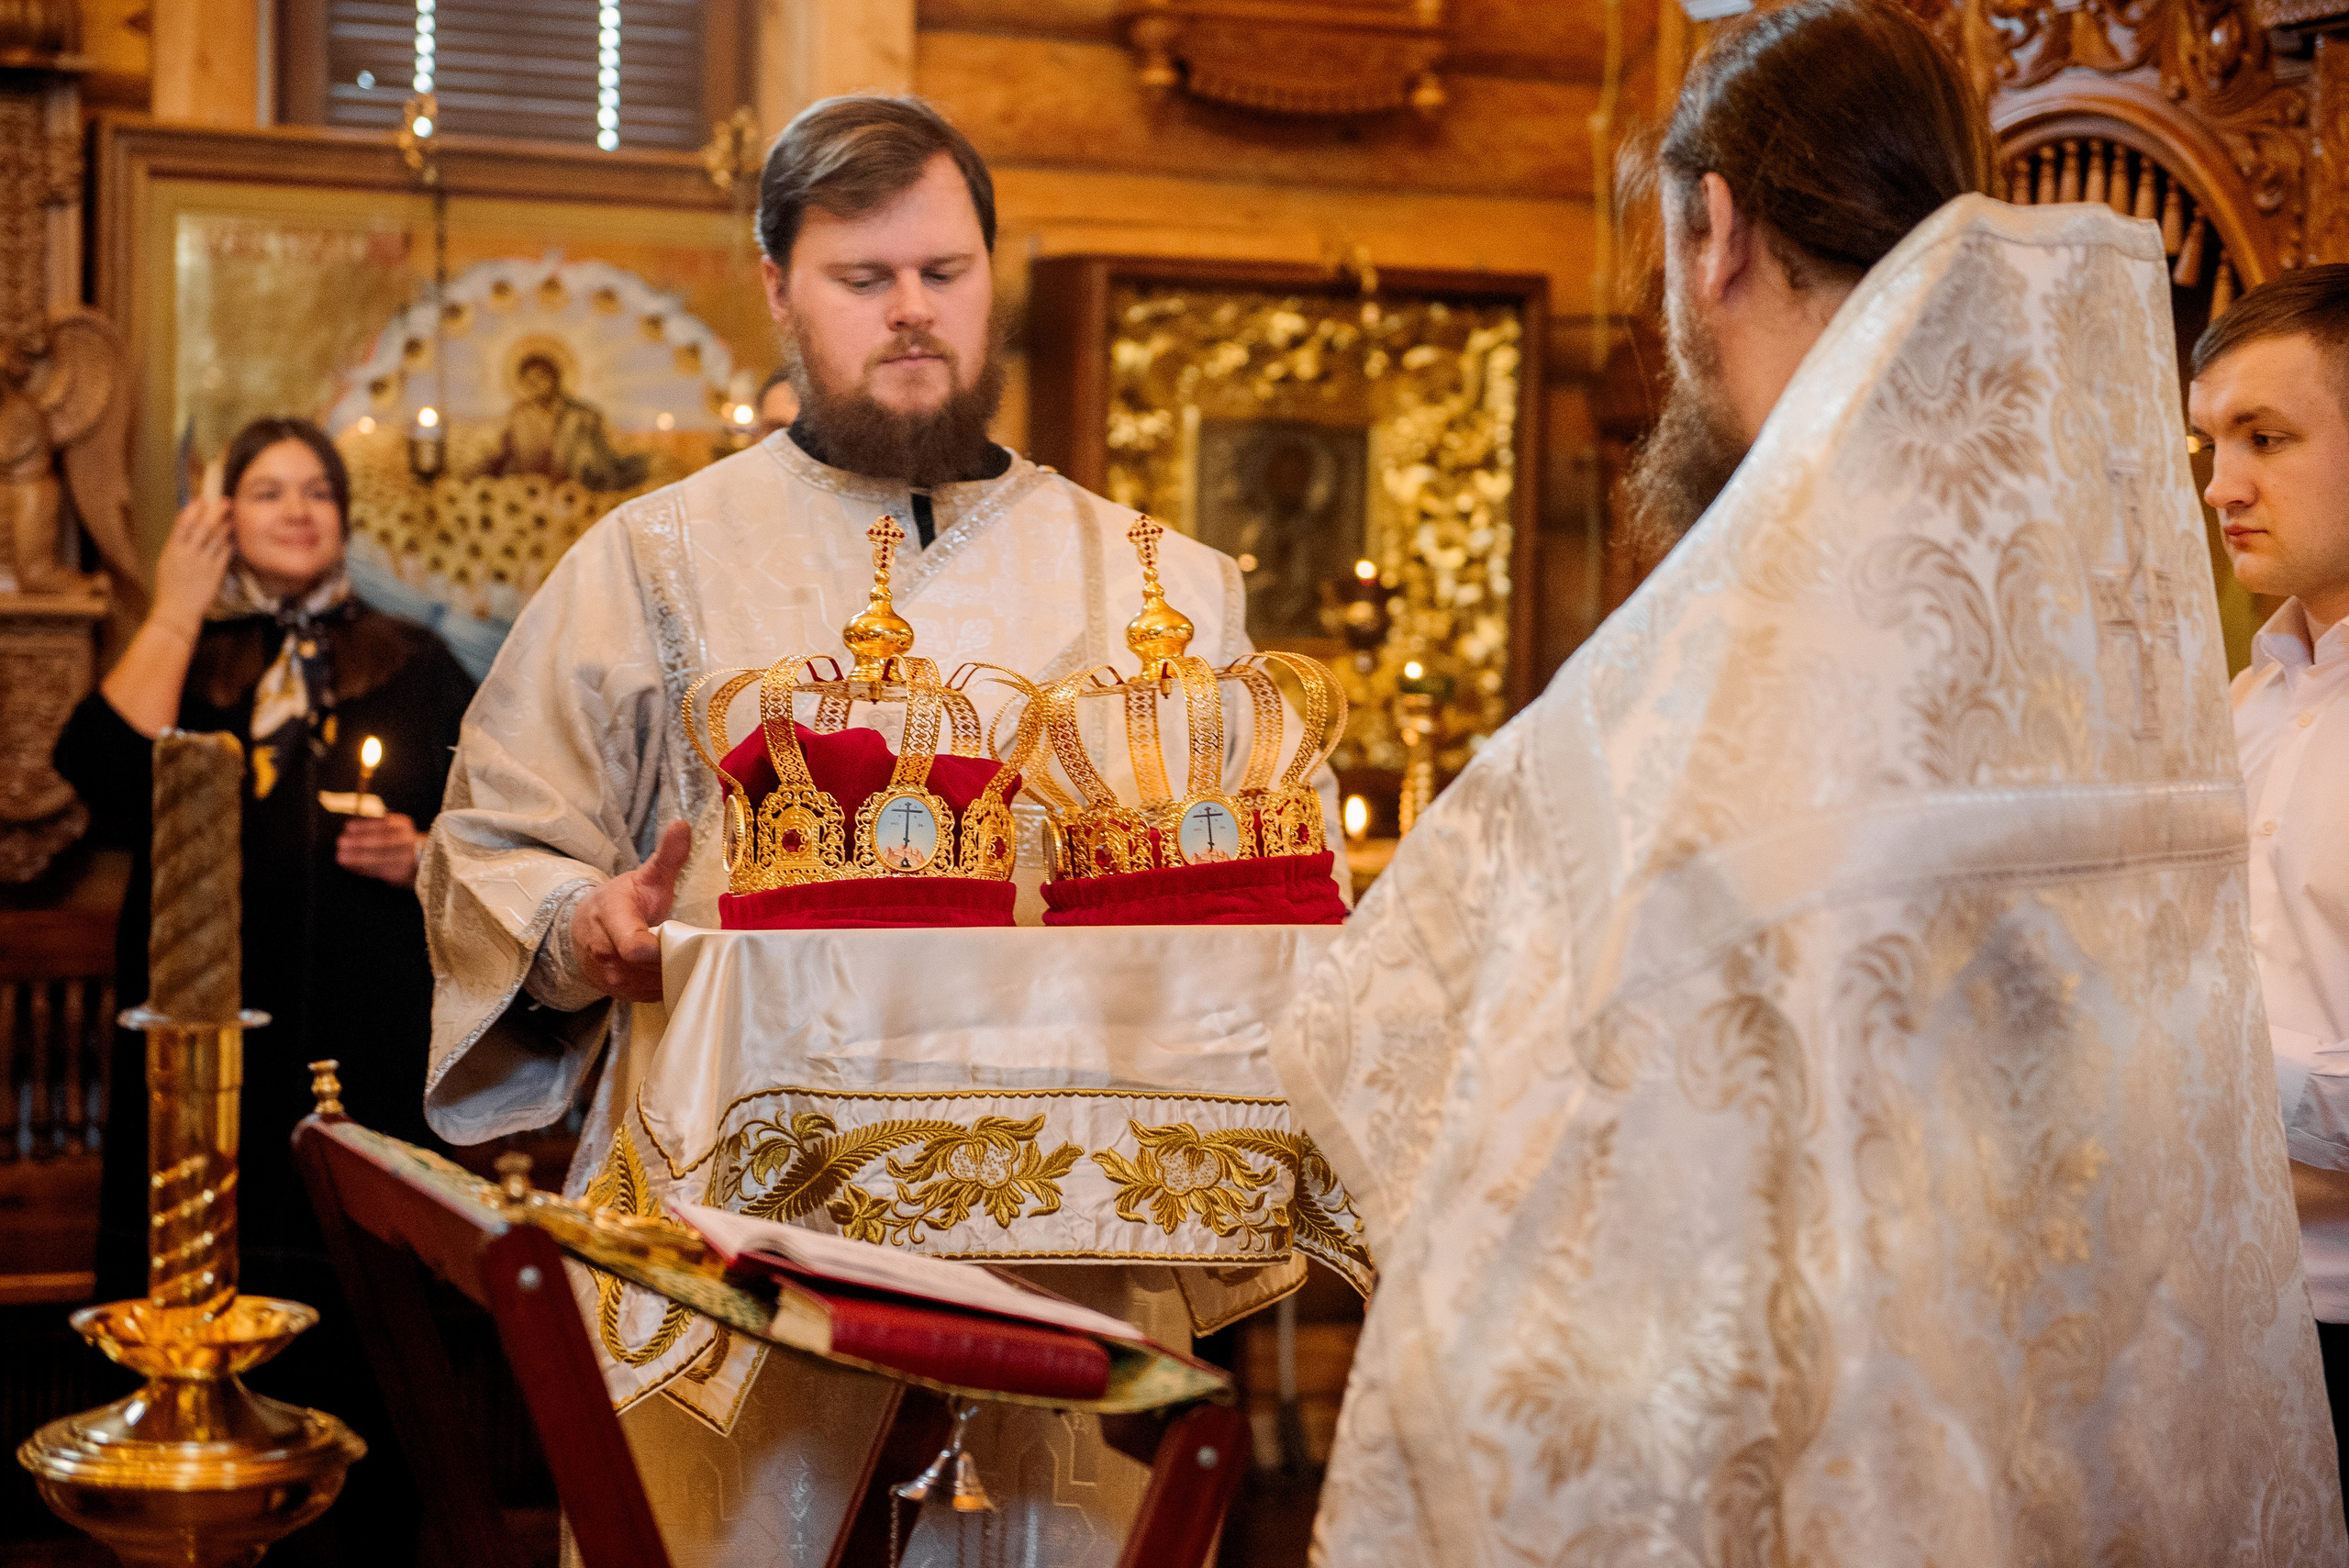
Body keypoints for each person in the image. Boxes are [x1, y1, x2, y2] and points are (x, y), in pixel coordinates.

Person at [1267, 2, 2343, 1562]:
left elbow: (1484, 1159)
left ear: (1711, 234)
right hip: (2060, 1445)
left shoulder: (1714, 673)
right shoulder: (2097, 642)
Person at [420, 95, 1341, 1567]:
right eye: (865, 279)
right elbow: (487, 845)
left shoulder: (1159, 574)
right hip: (746, 1267)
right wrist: (579, 929)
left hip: (1072, 1271)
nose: (913, 312)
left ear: (990, 276)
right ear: (779, 288)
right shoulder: (650, 562)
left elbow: (1252, 881)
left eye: (945, 271)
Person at [53, 415, 475, 1563]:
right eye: (267, 490)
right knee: (203, 1267)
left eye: (318, 492)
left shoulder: (415, 656)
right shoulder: (195, 655)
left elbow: (490, 830)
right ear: (222, 517)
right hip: (205, 1039)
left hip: (365, 1025)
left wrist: (422, 848)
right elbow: (92, 773)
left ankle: (359, 1527)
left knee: (357, 1286)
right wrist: (179, 603)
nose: (297, 509)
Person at [2190, 267, 2349, 1512]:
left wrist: (2183, 1115)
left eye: (2266, 438)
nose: (2220, 486)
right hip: (2208, 1319)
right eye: (2211, 442)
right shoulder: (2240, 709)